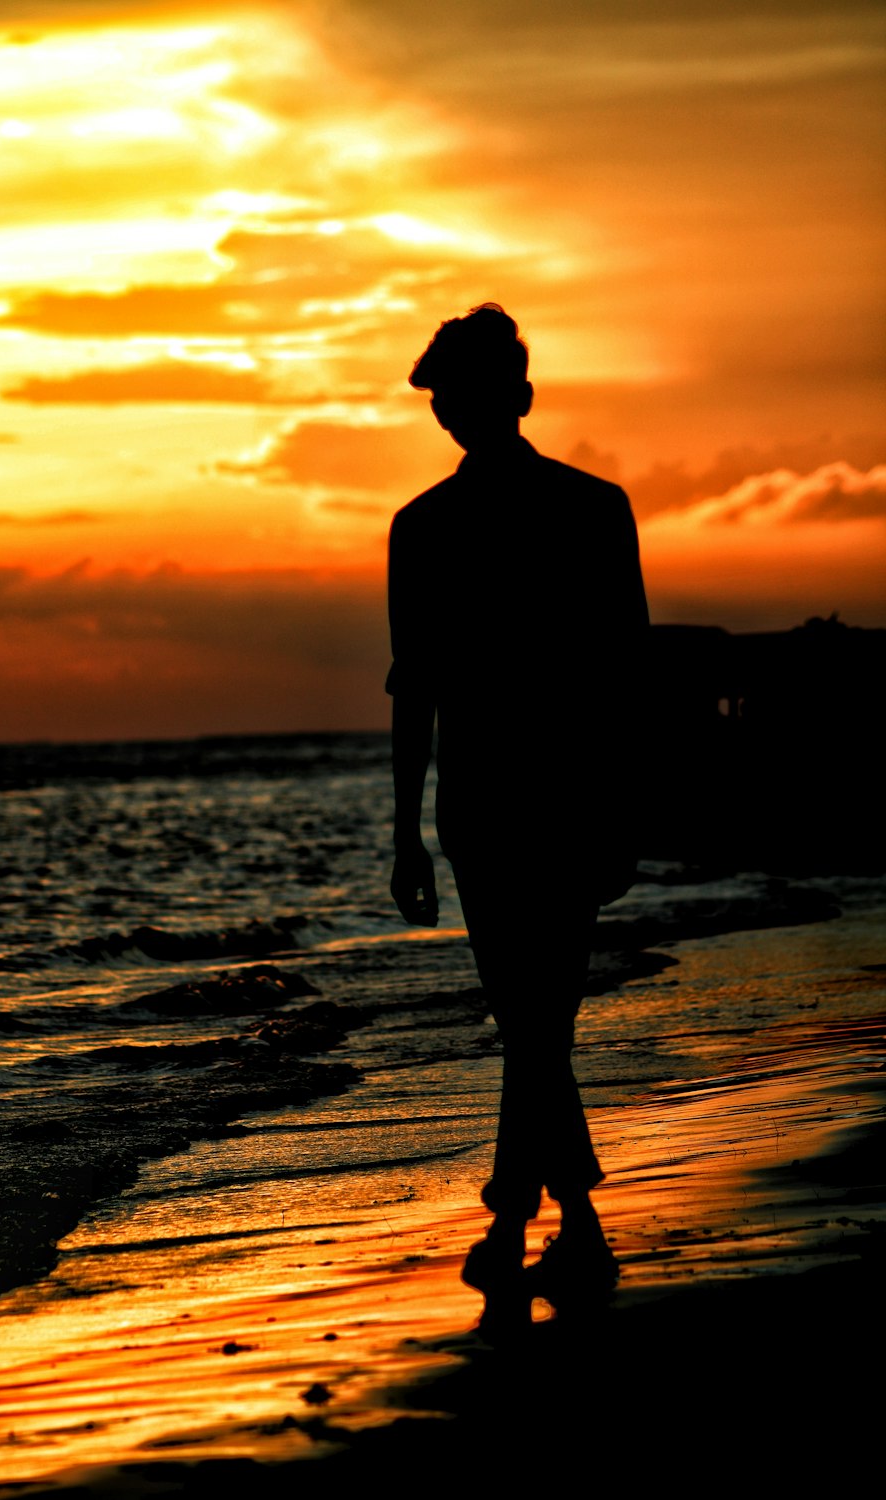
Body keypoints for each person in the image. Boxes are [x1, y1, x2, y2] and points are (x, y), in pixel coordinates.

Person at [386, 303, 649, 1326]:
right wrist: (405, 829)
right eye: (446, 398)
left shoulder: (580, 510)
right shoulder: (437, 525)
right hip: (499, 803)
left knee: (535, 1014)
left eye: (464, 394)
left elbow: (627, 671)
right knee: (535, 1013)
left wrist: (627, 799)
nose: (454, 413)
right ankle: (558, 1212)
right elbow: (417, 687)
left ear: (514, 399)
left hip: (537, 797)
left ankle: (524, 1212)